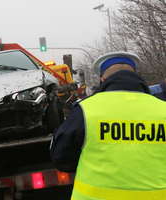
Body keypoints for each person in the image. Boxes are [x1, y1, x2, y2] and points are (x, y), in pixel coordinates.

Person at [50, 51, 166, 200]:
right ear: (136, 75)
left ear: (102, 79)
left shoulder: (86, 110)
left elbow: (61, 158)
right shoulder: (162, 109)